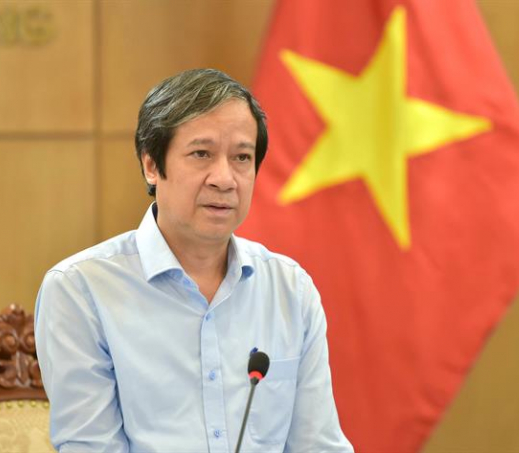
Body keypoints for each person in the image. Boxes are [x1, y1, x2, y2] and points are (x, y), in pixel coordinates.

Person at [34, 68, 353, 453]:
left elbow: (318, 445)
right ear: (152, 165)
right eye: (202, 154)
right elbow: (92, 447)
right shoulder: (81, 291)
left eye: (242, 157)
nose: (225, 179)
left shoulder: (290, 290)